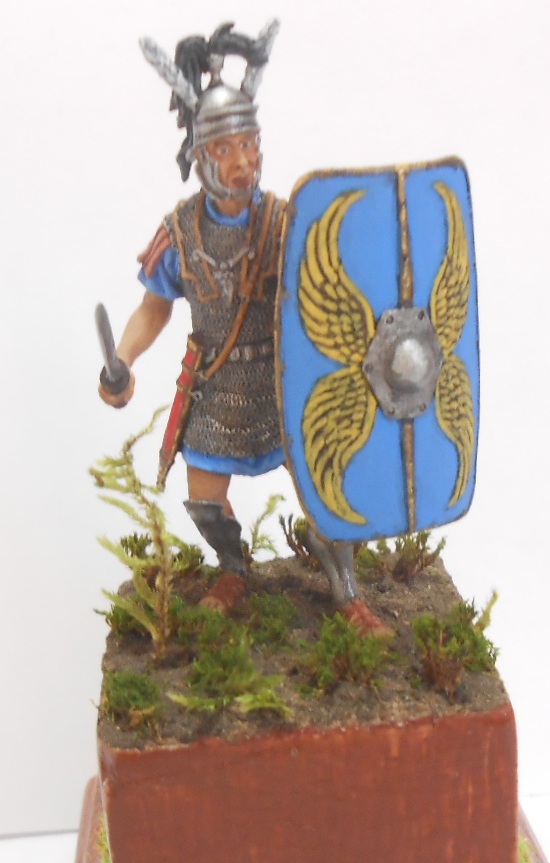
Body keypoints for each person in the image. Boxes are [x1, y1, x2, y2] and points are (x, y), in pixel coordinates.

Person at [99, 21, 390, 634]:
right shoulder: (180, 233)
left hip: (287, 380)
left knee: (324, 485)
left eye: (250, 144)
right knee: (204, 494)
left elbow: (333, 289)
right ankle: (234, 569)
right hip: (219, 385)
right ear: (200, 156)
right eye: (227, 150)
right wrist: (121, 363)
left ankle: (345, 588)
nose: (244, 161)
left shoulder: (288, 220)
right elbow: (154, 307)